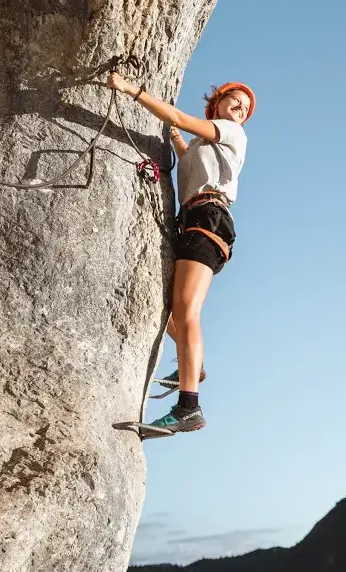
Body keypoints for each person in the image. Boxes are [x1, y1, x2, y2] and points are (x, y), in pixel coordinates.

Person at [106, 72, 255, 436]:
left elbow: (180, 119)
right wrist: (174, 140)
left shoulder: (231, 132)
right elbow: (187, 155)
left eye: (245, 108)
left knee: (187, 312)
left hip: (209, 219)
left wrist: (131, 89)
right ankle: (195, 366)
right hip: (194, 220)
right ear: (217, 103)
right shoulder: (204, 149)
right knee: (172, 312)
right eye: (235, 102)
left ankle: (189, 407)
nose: (240, 110)